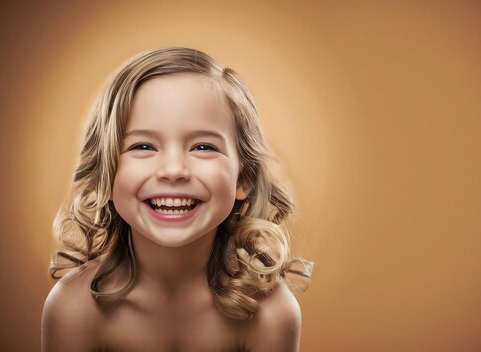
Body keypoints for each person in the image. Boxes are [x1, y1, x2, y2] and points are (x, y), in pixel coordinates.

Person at [41, 47, 312, 351]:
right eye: (143, 146)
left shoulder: (272, 313)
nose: (173, 170)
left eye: (203, 147)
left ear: (243, 178)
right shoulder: (74, 308)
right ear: (107, 172)